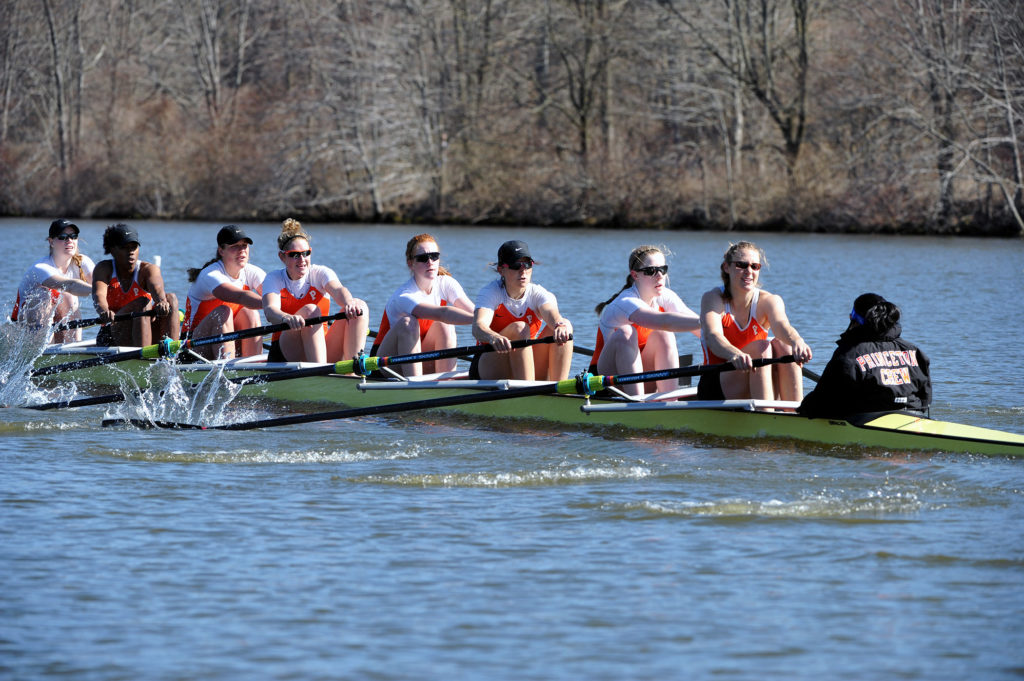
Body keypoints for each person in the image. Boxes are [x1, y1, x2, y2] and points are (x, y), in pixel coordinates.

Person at [698, 241, 812, 402]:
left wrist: (797, 341)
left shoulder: (769, 300)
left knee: (785, 346)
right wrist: (735, 354)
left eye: (755, 266)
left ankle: (794, 413)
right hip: (716, 384)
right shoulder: (713, 298)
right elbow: (713, 336)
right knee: (761, 348)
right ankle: (766, 415)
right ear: (726, 267)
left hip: (752, 374)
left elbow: (781, 326)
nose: (748, 271)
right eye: (741, 265)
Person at [592, 245, 701, 396]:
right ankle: (637, 404)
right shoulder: (626, 301)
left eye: (663, 269)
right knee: (626, 332)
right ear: (635, 275)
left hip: (643, 378)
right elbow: (662, 321)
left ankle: (670, 402)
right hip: (606, 382)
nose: (660, 275)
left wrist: (731, 347)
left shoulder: (666, 296)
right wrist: (707, 322)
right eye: (651, 271)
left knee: (664, 335)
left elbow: (701, 329)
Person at [799, 293, 931, 418]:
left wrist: (803, 408)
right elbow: (926, 400)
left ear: (854, 318)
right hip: (913, 417)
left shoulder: (849, 354)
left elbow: (817, 405)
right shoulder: (915, 351)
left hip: (866, 421)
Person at [261, 218, 369, 363]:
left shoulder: (321, 273)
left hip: (322, 348)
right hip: (286, 350)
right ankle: (319, 375)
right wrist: (286, 317)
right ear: (282, 257)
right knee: (311, 311)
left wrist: (349, 302)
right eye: (294, 254)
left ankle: (354, 370)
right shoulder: (274, 278)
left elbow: (338, 290)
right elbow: (270, 311)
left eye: (306, 253)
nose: (302, 259)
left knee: (359, 305)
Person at [371, 233, 474, 376]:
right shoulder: (405, 295)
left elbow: (474, 311)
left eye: (434, 256)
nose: (430, 262)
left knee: (445, 325)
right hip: (385, 364)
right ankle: (415, 387)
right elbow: (442, 313)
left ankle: (447, 383)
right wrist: (478, 321)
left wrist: (490, 324)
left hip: (418, 356)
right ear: (410, 263)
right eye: (423, 258)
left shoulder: (446, 283)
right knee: (409, 323)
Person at [470, 240, 574, 380]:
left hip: (523, 362)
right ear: (501, 270)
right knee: (520, 328)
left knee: (564, 325)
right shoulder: (490, 293)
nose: (523, 270)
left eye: (527, 264)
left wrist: (559, 325)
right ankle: (527, 392)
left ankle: (560, 390)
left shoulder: (538, 293)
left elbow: (551, 313)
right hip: (490, 363)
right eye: (516, 265)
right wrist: (493, 337)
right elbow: (478, 327)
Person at [183, 225, 266, 360]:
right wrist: (271, 304)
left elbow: (275, 294)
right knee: (223, 312)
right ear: (221, 251)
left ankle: (254, 366)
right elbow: (240, 296)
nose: (242, 251)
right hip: (193, 347)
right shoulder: (210, 274)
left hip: (225, 339)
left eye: (244, 246)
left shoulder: (252, 272)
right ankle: (227, 371)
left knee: (250, 313)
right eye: (235, 246)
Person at [91, 224, 179, 347]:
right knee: (142, 302)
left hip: (144, 327)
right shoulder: (104, 269)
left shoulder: (148, 270)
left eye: (134, 247)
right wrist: (104, 311)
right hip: (112, 332)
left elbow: (157, 288)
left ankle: (172, 353)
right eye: (125, 247)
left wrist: (161, 302)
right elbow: (98, 295)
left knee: (171, 299)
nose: (131, 252)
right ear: (113, 250)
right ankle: (142, 360)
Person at [12, 219, 95, 344]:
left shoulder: (83, 262)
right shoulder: (40, 268)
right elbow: (71, 285)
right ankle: (40, 347)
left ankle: (71, 346)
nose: (69, 240)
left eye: (73, 236)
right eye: (63, 237)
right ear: (51, 242)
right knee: (46, 295)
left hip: (54, 320)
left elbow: (102, 285)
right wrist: (97, 290)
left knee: (68, 297)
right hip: (24, 326)